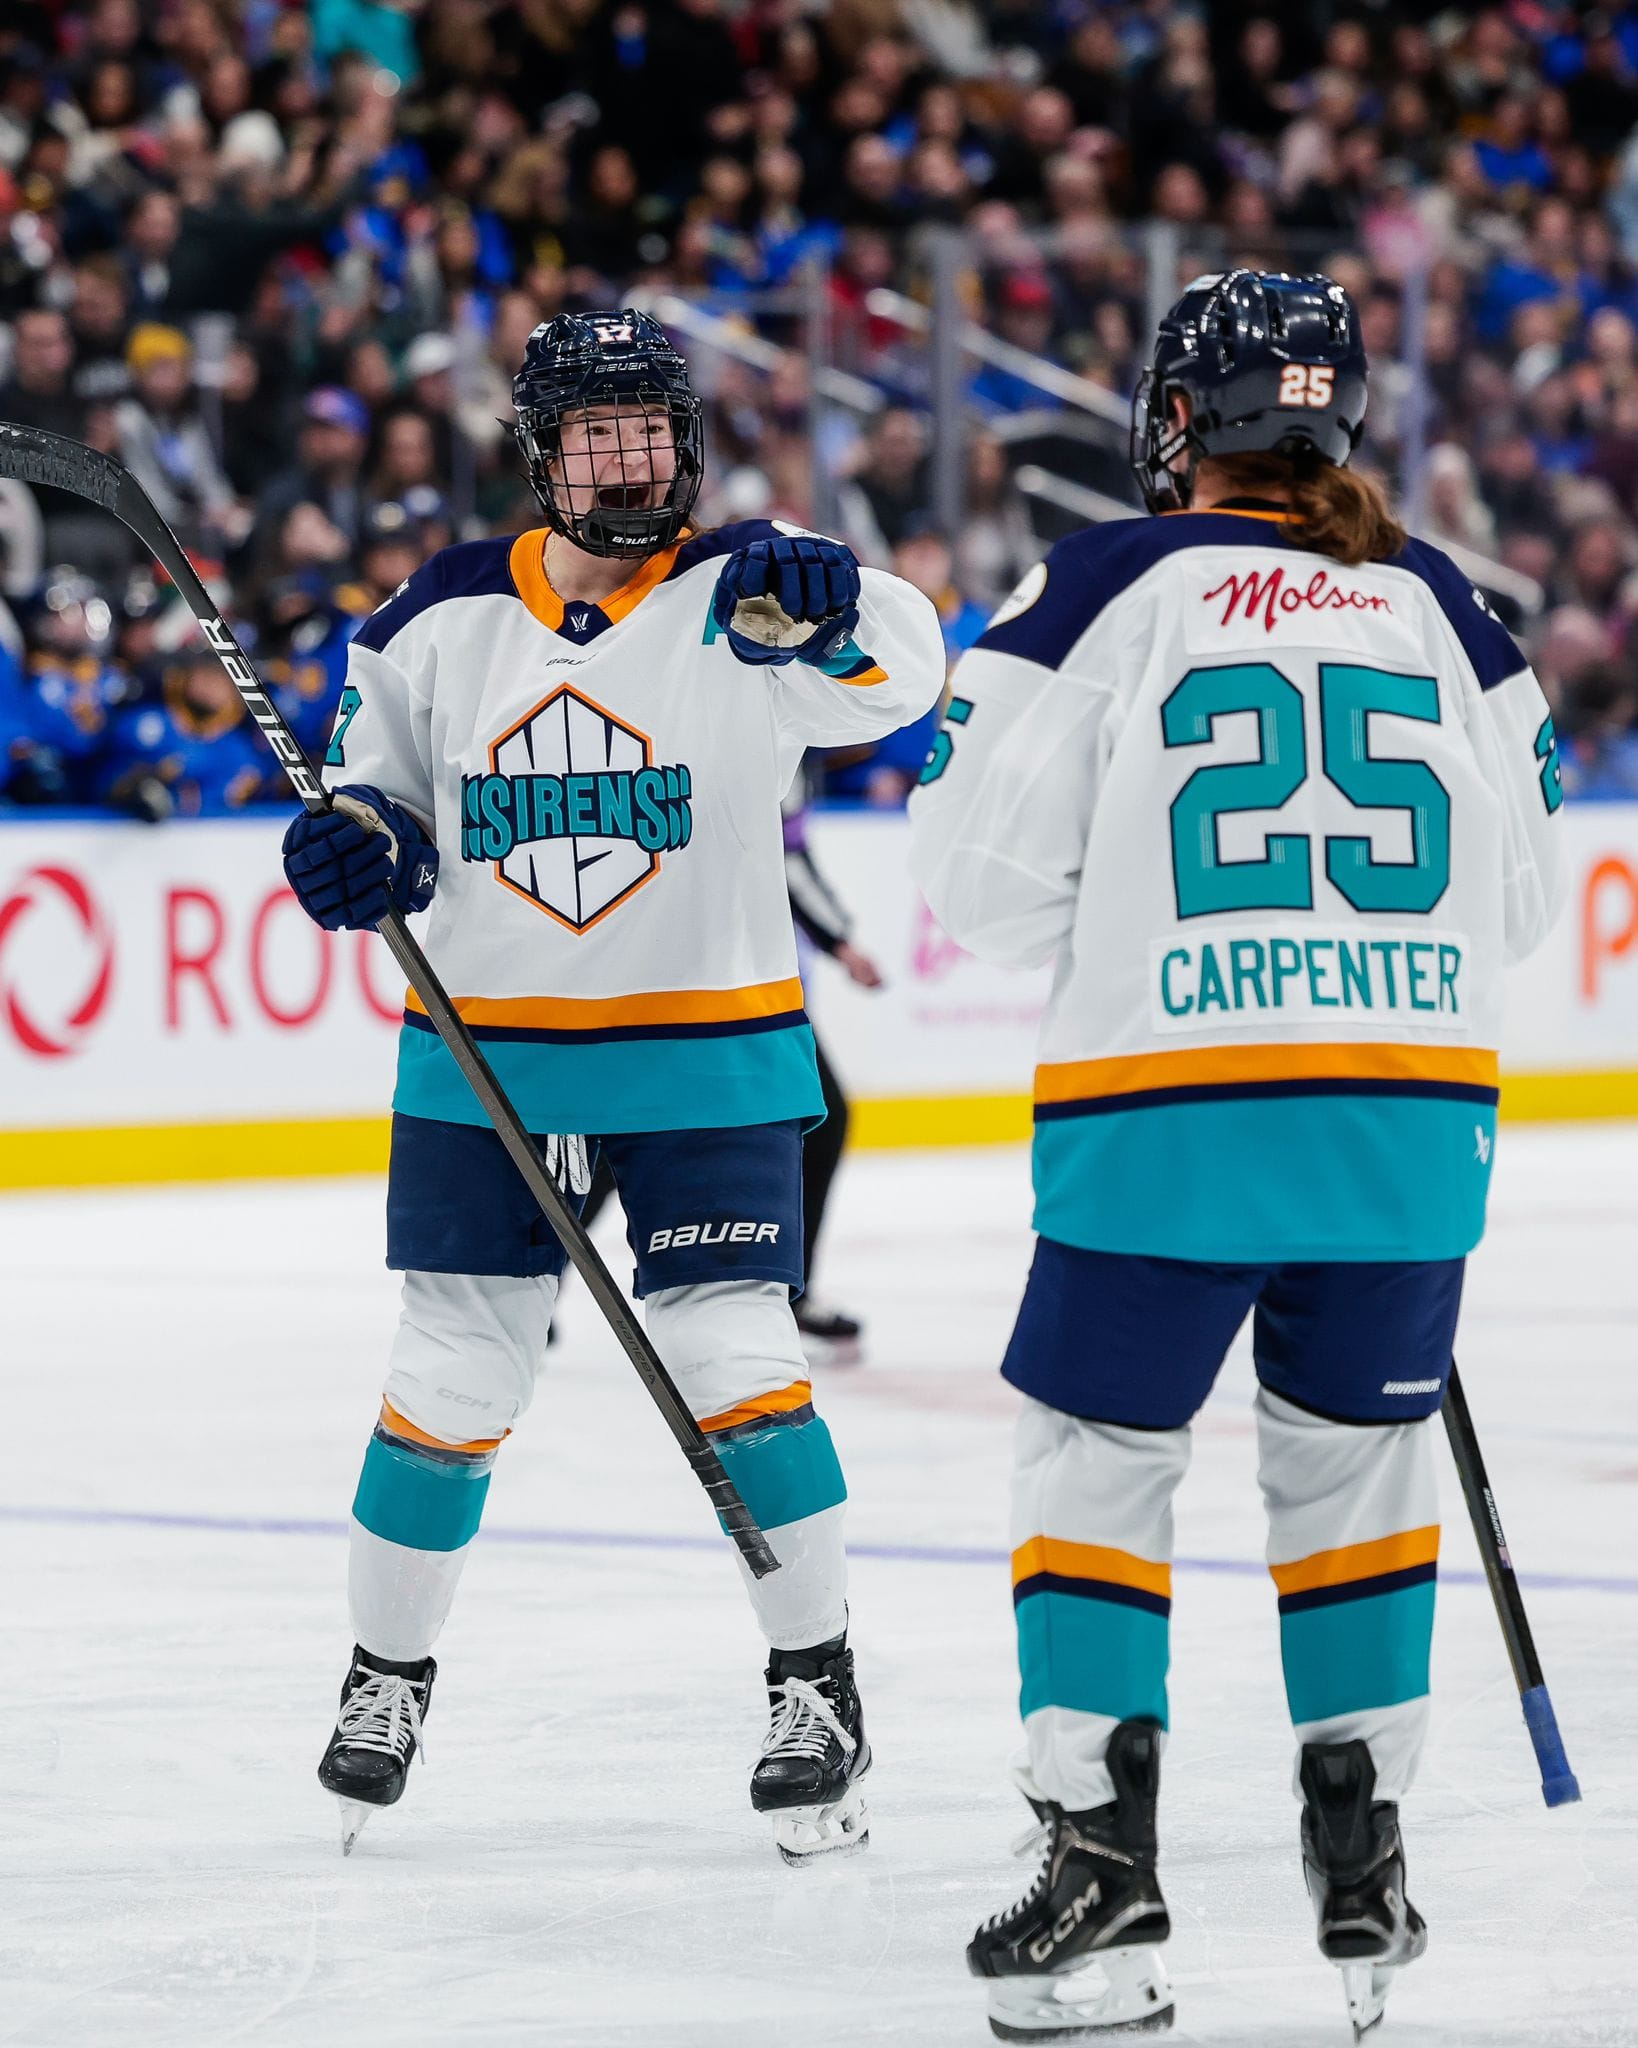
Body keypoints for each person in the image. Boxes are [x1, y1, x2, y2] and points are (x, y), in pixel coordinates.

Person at [909, 270, 1567, 2039]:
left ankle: (1101, 1881)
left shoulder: (1107, 585)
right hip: (1408, 1118)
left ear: (1179, 418)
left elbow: (972, 887)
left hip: (1171, 1106)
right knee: (1356, 1483)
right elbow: (1514, 902)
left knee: (1097, 1470)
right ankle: (1363, 1872)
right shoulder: (1447, 607)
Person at [279, 309, 944, 1861]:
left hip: (707, 1060)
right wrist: (364, 846)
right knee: (449, 1381)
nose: (631, 459)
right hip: (484, 1072)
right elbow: (381, 792)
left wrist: (835, 610)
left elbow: (897, 674)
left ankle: (814, 1678)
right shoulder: (431, 617)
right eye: (598, 434)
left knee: (731, 1365)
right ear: (541, 453)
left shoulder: (745, 592)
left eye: (653, 429)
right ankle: (385, 1676)